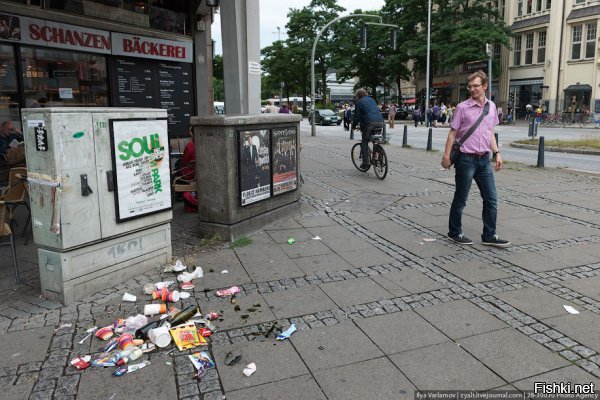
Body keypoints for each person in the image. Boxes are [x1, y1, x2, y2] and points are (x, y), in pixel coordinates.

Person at [440, 70, 510, 248]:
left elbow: (489, 133)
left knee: (491, 199)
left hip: (484, 160)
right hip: (465, 160)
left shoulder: (491, 107)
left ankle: (489, 235)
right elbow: (452, 134)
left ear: (485, 86)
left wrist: (497, 153)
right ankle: (454, 232)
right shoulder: (463, 107)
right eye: (470, 86)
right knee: (461, 198)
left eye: (476, 86)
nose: (472, 89)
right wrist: (446, 156)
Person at [351, 88, 384, 170]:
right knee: (376, 140)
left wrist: (353, 126)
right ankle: (379, 158)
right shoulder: (372, 99)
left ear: (358, 96)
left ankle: (365, 163)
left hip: (369, 123)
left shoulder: (358, 102)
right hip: (380, 122)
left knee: (364, 142)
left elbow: (357, 117)